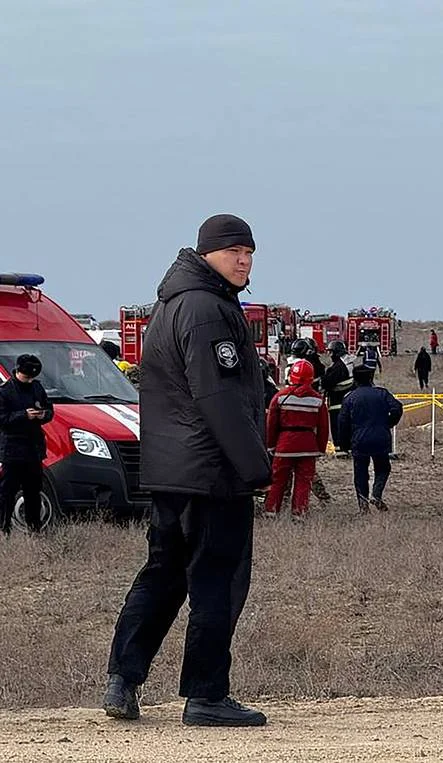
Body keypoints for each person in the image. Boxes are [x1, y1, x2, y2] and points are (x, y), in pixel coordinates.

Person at [104, 214, 270, 727]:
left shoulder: (173, 303)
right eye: (234, 251)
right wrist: (255, 467)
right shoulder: (207, 310)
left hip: (172, 470)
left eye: (250, 252)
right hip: (212, 473)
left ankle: (123, 680)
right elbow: (217, 396)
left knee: (162, 574)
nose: (244, 260)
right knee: (217, 580)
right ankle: (207, 695)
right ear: (207, 254)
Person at [264, 359, 329, 519]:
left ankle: (271, 511)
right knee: (304, 481)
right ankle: (299, 514)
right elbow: (323, 428)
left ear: (291, 376)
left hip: (284, 444)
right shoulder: (318, 400)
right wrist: (320, 449)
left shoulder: (280, 397)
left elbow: (271, 425)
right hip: (308, 446)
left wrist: (271, 445)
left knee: (278, 480)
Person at [0, 354, 54, 535]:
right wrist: (24, 415)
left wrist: (43, 415)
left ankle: (35, 528)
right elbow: (2, 419)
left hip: (34, 449)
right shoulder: (5, 391)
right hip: (13, 451)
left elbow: (49, 409)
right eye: (26, 377)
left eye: (32, 377)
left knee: (33, 492)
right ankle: (3, 528)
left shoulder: (37, 388)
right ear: (17, 371)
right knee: (7, 492)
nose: (29, 380)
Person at [339, 365, 403, 512]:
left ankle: (363, 506)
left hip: (359, 440)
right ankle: (376, 493)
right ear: (371, 378)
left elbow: (343, 422)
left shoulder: (350, 398)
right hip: (381, 438)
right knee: (383, 468)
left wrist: (343, 444)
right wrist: (389, 423)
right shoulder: (382, 393)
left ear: (354, 379)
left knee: (360, 472)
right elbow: (397, 408)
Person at [322, 340, 355, 454]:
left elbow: (327, 382)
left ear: (336, 352)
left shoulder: (338, 367)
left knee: (337, 426)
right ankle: (347, 447)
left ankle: (341, 449)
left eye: (331, 352)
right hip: (346, 400)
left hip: (337, 402)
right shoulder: (347, 364)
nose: (330, 355)